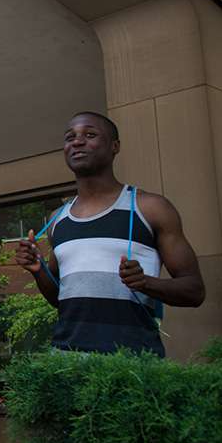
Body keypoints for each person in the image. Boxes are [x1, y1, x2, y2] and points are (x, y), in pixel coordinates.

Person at [15, 112, 206, 356]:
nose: (77, 142)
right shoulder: (57, 219)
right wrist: (38, 270)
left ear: (115, 146)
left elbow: (194, 291)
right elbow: (60, 300)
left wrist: (145, 283)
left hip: (131, 362)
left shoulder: (151, 208)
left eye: (90, 135)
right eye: (69, 137)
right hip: (65, 360)